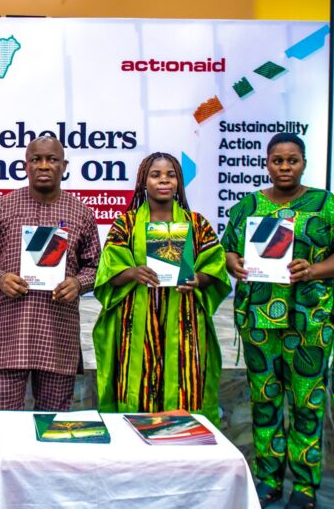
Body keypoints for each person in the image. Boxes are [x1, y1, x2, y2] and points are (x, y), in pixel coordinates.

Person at [220, 132, 334, 509]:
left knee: (306, 402)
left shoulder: (328, 205)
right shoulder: (248, 206)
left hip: (309, 319)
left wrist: (314, 270)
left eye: (292, 160)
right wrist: (234, 264)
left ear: (304, 163)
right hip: (259, 319)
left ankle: (304, 485)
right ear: (267, 163)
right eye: (277, 161)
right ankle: (268, 479)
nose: (285, 167)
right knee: (264, 400)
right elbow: (228, 250)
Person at [93, 152, 231, 422]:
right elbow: (108, 272)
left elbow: (215, 266)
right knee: (137, 386)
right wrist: (132, 272)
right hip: (137, 324)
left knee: (185, 384)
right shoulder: (126, 224)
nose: (163, 180)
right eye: (155, 175)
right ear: (143, 181)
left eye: (171, 175)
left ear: (179, 182)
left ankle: (185, 441)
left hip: (185, 322)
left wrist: (198, 279)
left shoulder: (197, 224)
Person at [0, 135, 101, 413]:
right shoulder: (3, 207)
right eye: (35, 159)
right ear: (25, 166)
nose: (43, 165)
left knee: (53, 421)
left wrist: (78, 283)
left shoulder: (82, 213)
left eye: (51, 159)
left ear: (64, 166)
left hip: (58, 333)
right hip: (10, 332)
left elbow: (95, 266)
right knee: (5, 416)